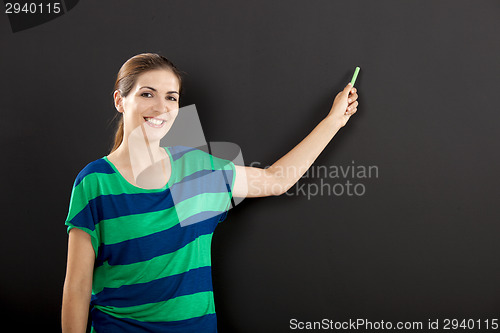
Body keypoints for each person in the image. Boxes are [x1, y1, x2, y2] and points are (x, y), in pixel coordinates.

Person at [61, 53, 359, 332]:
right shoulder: (94, 182)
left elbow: (275, 180)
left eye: (171, 97)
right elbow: (76, 287)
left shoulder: (196, 169)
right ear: (120, 100)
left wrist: (333, 121)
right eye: (147, 93)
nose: (161, 107)